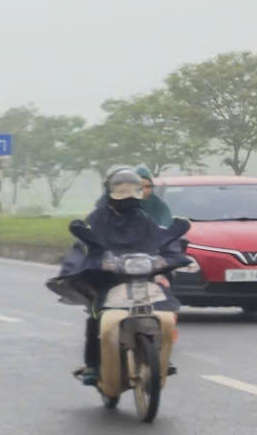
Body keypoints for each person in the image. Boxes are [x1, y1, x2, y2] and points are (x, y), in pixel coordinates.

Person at [52, 165, 190, 384]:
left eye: (131, 189)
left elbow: (159, 239)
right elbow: (89, 246)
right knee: (97, 316)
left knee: (164, 307)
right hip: (110, 277)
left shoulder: (143, 217)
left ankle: (162, 358)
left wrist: (166, 257)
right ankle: (93, 366)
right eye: (121, 189)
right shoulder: (97, 217)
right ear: (110, 190)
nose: (126, 195)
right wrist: (101, 261)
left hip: (142, 273)